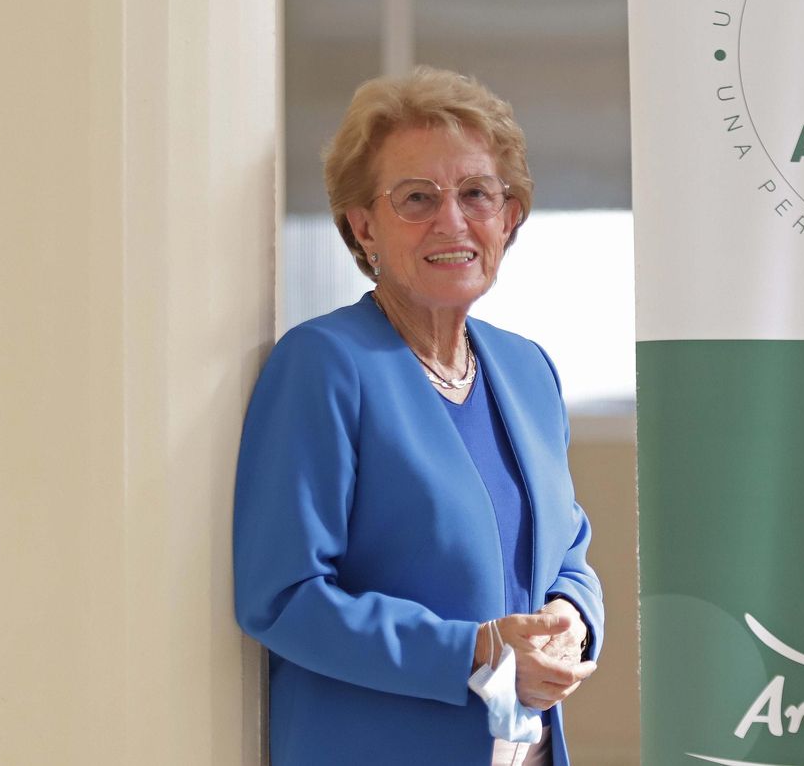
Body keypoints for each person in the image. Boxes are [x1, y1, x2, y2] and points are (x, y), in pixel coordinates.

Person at [233, 66, 604, 765]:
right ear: (362, 226)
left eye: (476, 195)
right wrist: (477, 650)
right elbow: (283, 597)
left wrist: (571, 620)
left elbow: (569, 554)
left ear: (510, 217)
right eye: (417, 199)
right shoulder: (323, 365)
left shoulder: (528, 369)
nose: (453, 221)